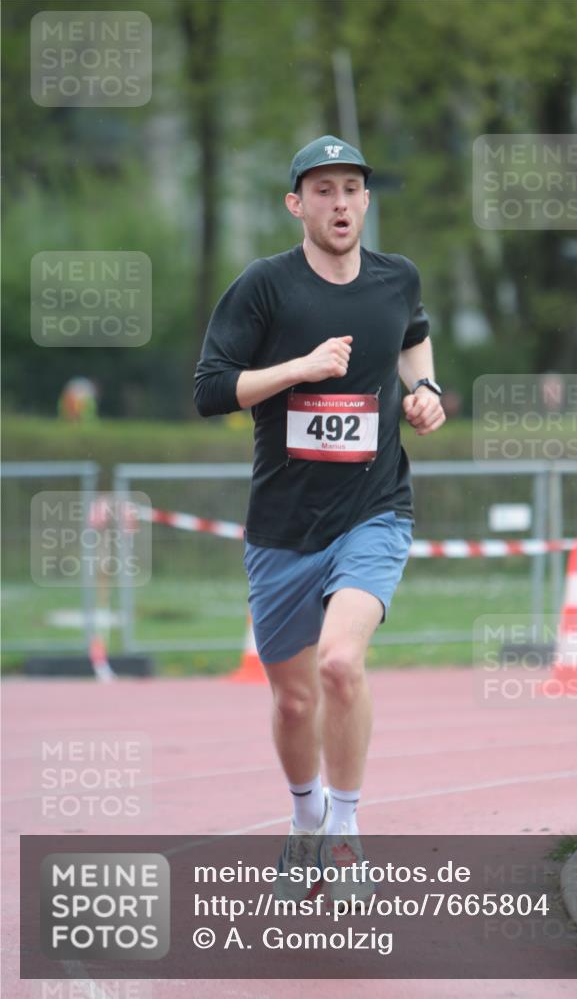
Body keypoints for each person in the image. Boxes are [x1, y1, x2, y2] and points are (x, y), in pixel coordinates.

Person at [194, 134, 445, 897]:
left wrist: (427, 392)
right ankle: (305, 819)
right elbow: (210, 391)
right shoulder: (263, 288)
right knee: (295, 695)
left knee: (340, 664)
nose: (340, 204)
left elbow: (414, 337)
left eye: (351, 189)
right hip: (281, 526)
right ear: (295, 203)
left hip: (373, 512)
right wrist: (300, 369)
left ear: (366, 201)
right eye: (324, 190)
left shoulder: (395, 278)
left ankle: (345, 829)